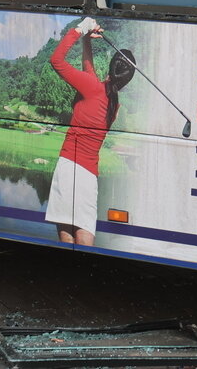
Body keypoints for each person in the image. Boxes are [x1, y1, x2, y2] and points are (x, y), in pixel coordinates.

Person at [45, 17, 135, 245]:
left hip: (69, 165)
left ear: (112, 67)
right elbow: (89, 72)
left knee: (66, 227)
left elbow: (56, 60)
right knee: (84, 229)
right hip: (88, 174)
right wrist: (87, 41)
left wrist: (79, 29)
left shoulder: (94, 89)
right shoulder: (114, 103)